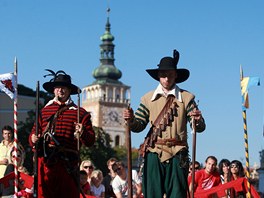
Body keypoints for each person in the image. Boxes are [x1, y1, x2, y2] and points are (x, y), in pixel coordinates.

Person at [123, 49, 206, 197]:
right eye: (163, 75)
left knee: (177, 195)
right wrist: (130, 120)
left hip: (178, 154)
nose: (166, 78)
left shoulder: (187, 98)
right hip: (154, 153)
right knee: (152, 194)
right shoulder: (147, 99)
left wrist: (197, 121)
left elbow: (199, 128)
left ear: (176, 75)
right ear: (158, 77)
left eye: (170, 74)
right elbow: (139, 126)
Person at [29, 70, 95, 198]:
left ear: (69, 91)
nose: (61, 90)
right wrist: (33, 139)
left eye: (64, 87)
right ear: (54, 90)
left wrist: (82, 133)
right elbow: (33, 134)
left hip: (68, 164)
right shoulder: (44, 111)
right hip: (46, 163)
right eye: (58, 87)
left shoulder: (80, 113)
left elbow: (90, 140)